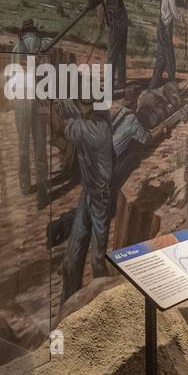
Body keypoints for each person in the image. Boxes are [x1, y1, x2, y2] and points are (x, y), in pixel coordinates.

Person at [59, 99, 115, 301]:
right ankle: (68, 304)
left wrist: (65, 104)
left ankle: (103, 304)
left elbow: (69, 128)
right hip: (90, 193)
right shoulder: (96, 123)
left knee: (98, 259)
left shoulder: (94, 129)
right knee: (72, 257)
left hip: (98, 196)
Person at [12, 19, 49, 206]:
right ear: (34, 30)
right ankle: (43, 192)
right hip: (40, 102)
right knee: (41, 147)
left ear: (23, 31)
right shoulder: (44, 44)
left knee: (23, 145)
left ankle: (25, 186)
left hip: (22, 102)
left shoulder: (16, 47)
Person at [83, 0, 128, 94]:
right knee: (120, 54)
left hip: (115, 20)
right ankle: (121, 83)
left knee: (111, 55)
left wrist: (99, 29)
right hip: (123, 18)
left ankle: (108, 87)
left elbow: (101, 8)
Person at [147, 0, 185, 90]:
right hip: (165, 27)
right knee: (170, 61)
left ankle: (151, 88)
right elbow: (173, 10)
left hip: (162, 26)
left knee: (161, 59)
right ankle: (173, 88)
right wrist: (182, 19)